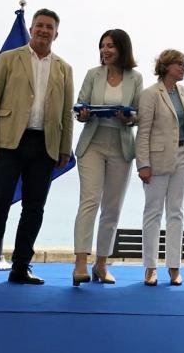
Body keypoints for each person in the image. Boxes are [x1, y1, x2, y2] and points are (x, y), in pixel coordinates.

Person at [0, 8, 74, 288]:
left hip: (45, 145)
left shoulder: (64, 68)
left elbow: (66, 113)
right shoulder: (8, 59)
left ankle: (20, 267)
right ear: (31, 29)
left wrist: (65, 148)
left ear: (56, 33)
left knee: (34, 209)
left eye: (49, 27)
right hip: (7, 143)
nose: (44, 30)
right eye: (39, 25)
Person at [71, 29, 142, 286]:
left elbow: (138, 115)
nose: (105, 50)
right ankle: (80, 262)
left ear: (122, 48)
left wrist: (129, 117)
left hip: (121, 147)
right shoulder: (93, 74)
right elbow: (79, 107)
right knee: (89, 201)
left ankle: (101, 264)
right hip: (93, 143)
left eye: (110, 45)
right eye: (102, 46)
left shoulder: (135, 78)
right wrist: (84, 113)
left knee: (112, 208)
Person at [136, 49, 184, 286]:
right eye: (179, 64)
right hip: (157, 160)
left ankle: (174, 266)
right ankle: (150, 267)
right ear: (166, 66)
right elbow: (143, 131)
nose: (183, 68)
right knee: (153, 212)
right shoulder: (150, 94)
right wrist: (143, 164)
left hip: (181, 155)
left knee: (176, 212)